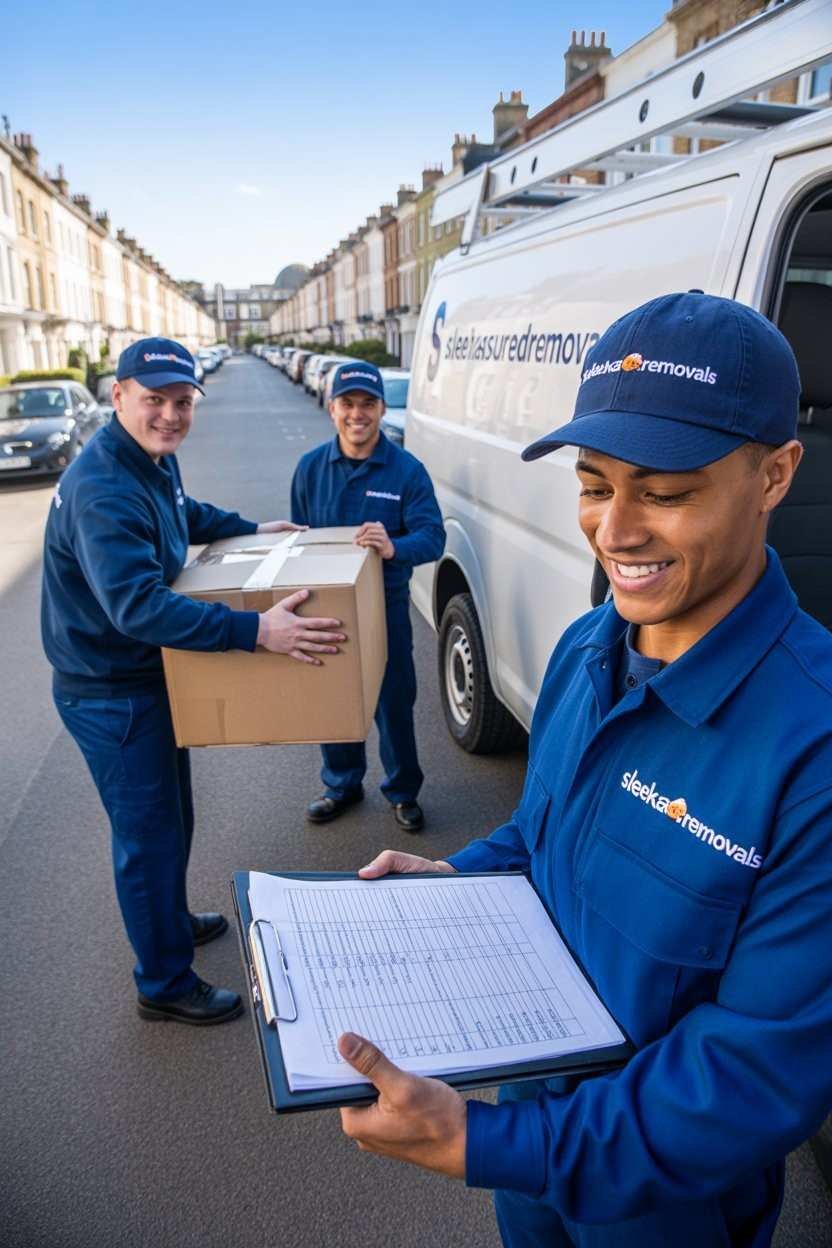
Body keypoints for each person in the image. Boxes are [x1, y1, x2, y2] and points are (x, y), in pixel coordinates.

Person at [332, 293, 832, 1246]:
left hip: (664, 1206)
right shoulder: (585, 648)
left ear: (774, 475)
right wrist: (458, 877)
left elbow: (750, 1077)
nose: (616, 530)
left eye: (668, 490)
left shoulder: (814, 751)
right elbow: (542, 834)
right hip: (532, 1148)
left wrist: (487, 1141)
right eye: (596, 484)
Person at [42, 337, 345, 1026]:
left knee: (172, 818)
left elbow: (181, 514)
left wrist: (249, 529)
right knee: (148, 835)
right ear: (117, 397)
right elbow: (139, 606)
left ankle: (169, 921)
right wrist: (256, 632)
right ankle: (163, 981)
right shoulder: (103, 490)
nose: (170, 416)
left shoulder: (145, 460)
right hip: (110, 691)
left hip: (139, 680)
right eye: (154, 401)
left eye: (181, 402)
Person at [291, 361, 445, 832]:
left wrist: (395, 545)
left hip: (384, 608)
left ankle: (402, 792)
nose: (357, 414)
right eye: (348, 404)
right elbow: (299, 538)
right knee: (333, 698)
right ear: (332, 407)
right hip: (327, 609)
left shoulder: (406, 471)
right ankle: (342, 784)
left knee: (394, 701)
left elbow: (433, 538)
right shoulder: (311, 468)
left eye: (367, 404)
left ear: (380, 409)